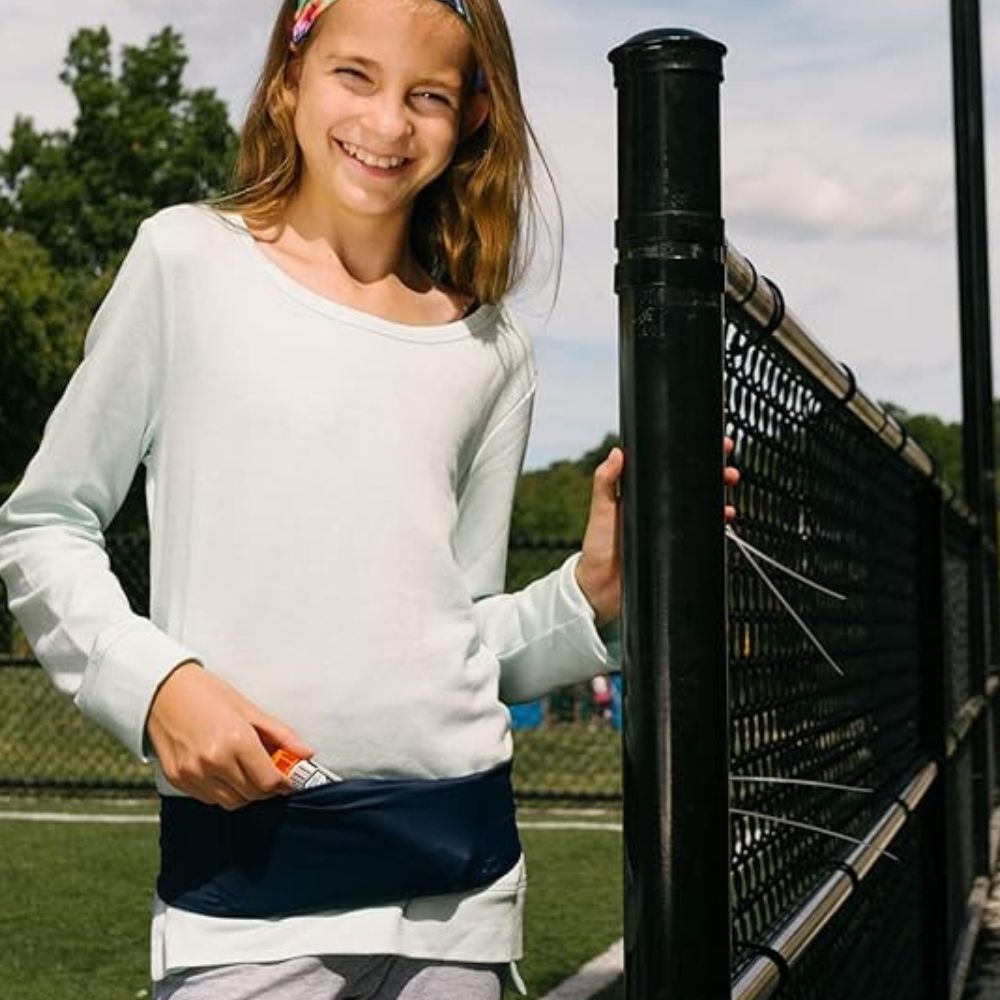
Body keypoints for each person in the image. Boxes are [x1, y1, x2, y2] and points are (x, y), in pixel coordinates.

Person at [0, 2, 737, 997]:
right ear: (286, 83)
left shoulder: (493, 350)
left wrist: (589, 593)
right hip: (244, 896)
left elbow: (462, 630)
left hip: (461, 896)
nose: (387, 123)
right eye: (355, 75)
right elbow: (45, 526)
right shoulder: (183, 261)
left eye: (426, 94)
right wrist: (157, 683)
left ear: (474, 115)